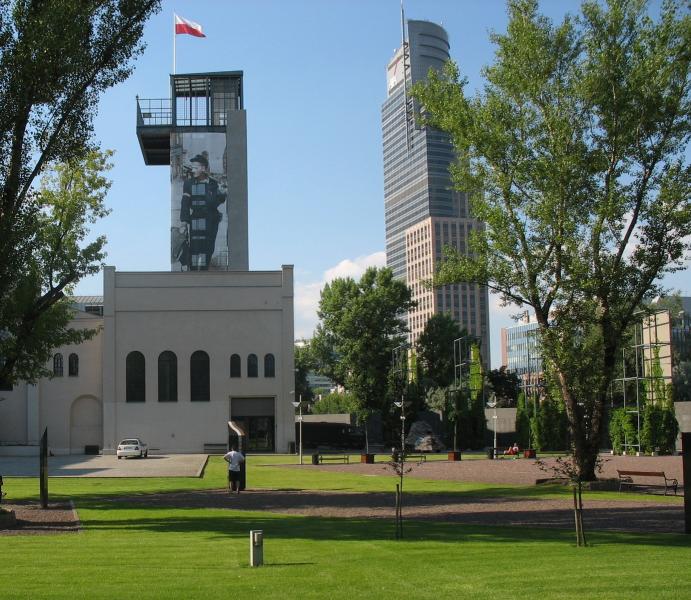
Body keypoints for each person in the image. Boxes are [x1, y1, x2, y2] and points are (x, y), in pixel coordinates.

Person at [179, 152, 226, 270]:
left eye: (196, 167)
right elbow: (185, 203)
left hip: (211, 220)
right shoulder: (188, 184)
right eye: (192, 167)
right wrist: (184, 222)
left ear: (204, 168)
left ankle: (204, 271)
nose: (193, 170)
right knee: (195, 248)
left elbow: (215, 202)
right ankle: (195, 272)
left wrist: (222, 194)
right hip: (196, 219)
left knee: (208, 248)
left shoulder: (213, 183)